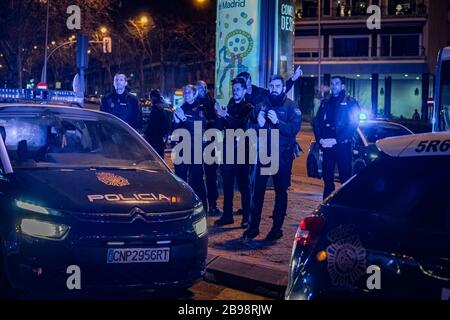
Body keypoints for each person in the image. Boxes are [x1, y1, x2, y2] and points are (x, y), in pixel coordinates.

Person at [244, 75, 302, 241]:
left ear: (283, 88)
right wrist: (257, 125)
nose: (274, 88)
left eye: (277, 85)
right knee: (257, 192)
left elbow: (293, 129)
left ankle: (276, 228)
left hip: (282, 156)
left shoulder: (291, 106)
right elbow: (249, 128)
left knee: (280, 192)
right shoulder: (261, 105)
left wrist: (278, 122)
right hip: (263, 155)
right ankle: (253, 227)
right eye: (271, 85)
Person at [214, 77, 254, 228]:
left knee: (244, 185)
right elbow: (224, 126)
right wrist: (219, 115)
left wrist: (226, 116)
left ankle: (247, 217)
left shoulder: (248, 107)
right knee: (227, 183)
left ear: (244, 91)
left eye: (238, 89)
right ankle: (227, 215)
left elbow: (242, 126)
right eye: (234, 89)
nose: (235, 92)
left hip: (243, 150)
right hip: (229, 149)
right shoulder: (230, 105)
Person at [313, 76, 360, 200]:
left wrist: (336, 140)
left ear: (342, 86)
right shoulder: (325, 102)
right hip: (327, 147)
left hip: (343, 147)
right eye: (332, 84)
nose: (334, 86)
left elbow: (353, 124)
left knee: (345, 180)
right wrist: (320, 140)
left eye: (337, 84)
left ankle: (345, 207)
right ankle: (326, 208)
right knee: (327, 180)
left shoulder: (350, 102)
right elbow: (316, 122)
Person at [173, 84, 208, 209]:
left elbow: (197, 127)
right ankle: (183, 206)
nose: (186, 95)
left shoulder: (200, 109)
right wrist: (176, 122)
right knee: (181, 179)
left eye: (188, 92)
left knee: (197, 179)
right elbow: (175, 130)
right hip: (182, 149)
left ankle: (203, 207)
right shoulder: (181, 108)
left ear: (195, 94)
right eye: (184, 93)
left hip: (195, 149)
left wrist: (182, 118)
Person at [195, 80, 222, 216]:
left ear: (206, 89)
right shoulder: (193, 104)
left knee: (211, 176)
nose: (199, 90)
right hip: (196, 145)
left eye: (202, 88)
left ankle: (213, 205)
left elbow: (218, 122)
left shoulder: (212, 103)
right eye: (197, 88)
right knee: (197, 176)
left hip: (211, 143)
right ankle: (200, 205)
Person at [236, 65, 303, 107]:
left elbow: (278, 92)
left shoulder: (261, 93)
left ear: (249, 82)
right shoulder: (237, 97)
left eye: (241, 82)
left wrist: (293, 79)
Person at [144, 89, 172, 158]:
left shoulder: (156, 108)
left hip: (155, 137)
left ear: (153, 97)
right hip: (163, 136)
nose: (150, 99)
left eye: (150, 97)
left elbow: (152, 124)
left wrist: (146, 134)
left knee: (154, 158)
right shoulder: (165, 106)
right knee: (160, 157)